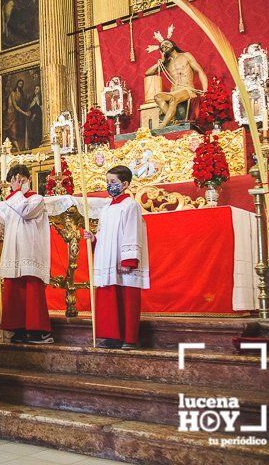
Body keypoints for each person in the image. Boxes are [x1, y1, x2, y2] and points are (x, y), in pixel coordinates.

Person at [83, 166, 150, 350]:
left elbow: (132, 232)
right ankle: (112, 336)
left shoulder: (131, 206)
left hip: (123, 260)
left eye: (113, 182)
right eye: (108, 182)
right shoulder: (106, 208)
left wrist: (129, 260)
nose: (109, 185)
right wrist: (94, 238)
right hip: (108, 259)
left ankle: (129, 338)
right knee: (109, 299)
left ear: (125, 184)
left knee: (126, 298)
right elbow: (106, 234)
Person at [0, 165, 52, 344]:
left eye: (21, 180)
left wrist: (15, 193)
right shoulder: (10, 202)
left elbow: (25, 212)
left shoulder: (37, 199)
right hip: (13, 250)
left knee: (31, 290)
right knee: (14, 291)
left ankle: (38, 331)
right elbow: (2, 229)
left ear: (28, 180)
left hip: (30, 250)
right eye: (14, 181)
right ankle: (17, 329)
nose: (17, 184)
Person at [144, 39, 208, 128]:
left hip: (187, 90)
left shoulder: (186, 56)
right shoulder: (166, 64)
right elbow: (147, 73)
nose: (164, 46)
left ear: (173, 44)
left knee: (173, 99)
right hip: (174, 91)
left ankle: (162, 125)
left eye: (166, 43)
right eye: (162, 46)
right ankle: (174, 121)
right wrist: (161, 62)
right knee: (157, 97)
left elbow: (200, 71)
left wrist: (205, 90)